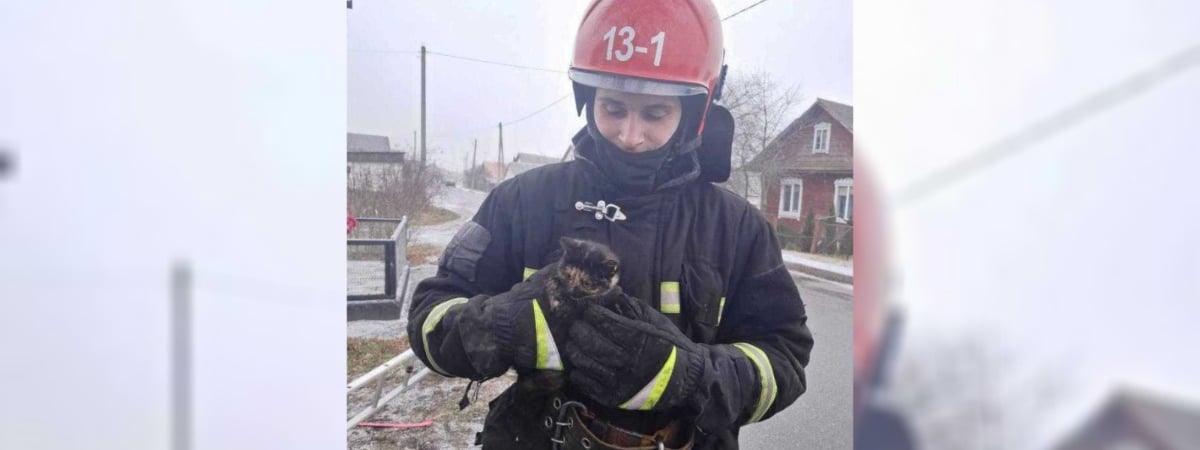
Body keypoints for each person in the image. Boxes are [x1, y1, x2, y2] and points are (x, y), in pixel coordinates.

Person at [407, 0, 813, 448]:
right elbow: (431, 317)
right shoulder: (523, 200)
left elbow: (785, 359)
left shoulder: (737, 228)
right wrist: (498, 326)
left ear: (695, 112)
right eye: (614, 108)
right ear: (587, 98)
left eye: (655, 113)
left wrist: (693, 375)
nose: (630, 135)